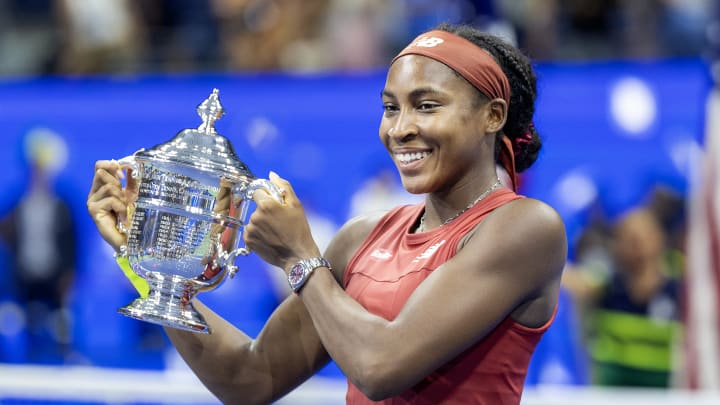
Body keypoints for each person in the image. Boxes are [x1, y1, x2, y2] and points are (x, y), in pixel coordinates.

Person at [87, 23, 567, 404]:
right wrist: (147, 255)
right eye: (390, 107)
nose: (400, 129)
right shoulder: (361, 238)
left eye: (426, 106)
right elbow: (249, 379)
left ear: (493, 115)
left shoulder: (525, 228)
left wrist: (299, 257)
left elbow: (381, 369)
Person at [563, 201, 683, 387]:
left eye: (643, 237)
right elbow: (573, 281)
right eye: (629, 238)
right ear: (617, 245)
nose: (638, 246)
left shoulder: (681, 288)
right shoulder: (606, 284)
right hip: (614, 392)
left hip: (667, 392)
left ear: (660, 238)